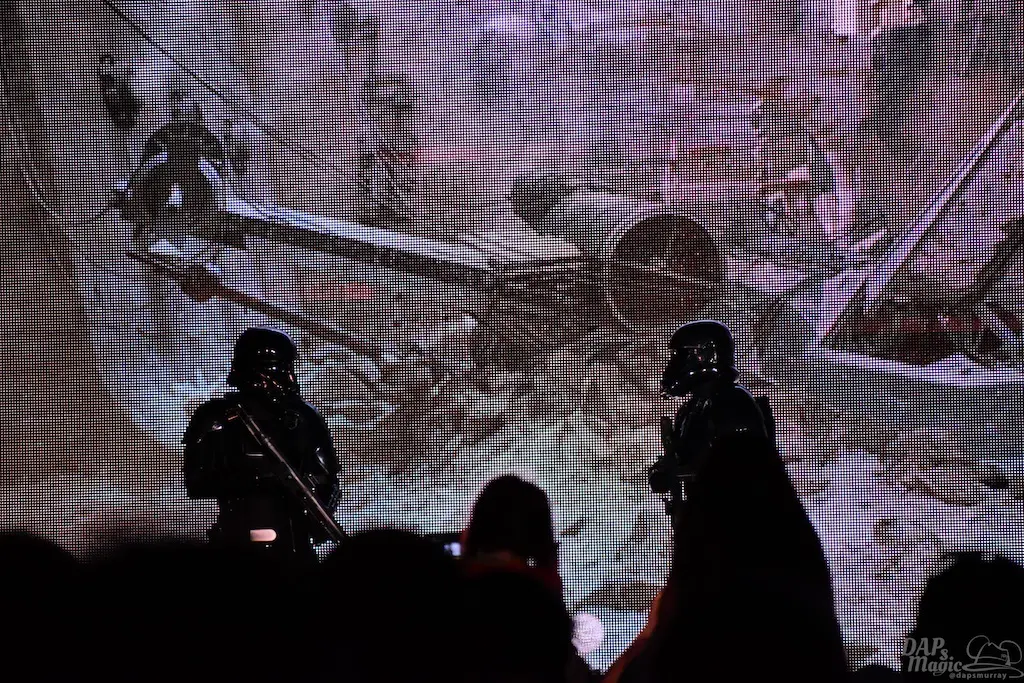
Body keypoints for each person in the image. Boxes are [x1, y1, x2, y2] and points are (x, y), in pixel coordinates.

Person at [183, 327, 340, 565]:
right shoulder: (216, 416)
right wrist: (260, 479)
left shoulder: (304, 417)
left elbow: (327, 479)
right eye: (279, 369)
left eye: (289, 368)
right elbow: (196, 481)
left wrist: (316, 518)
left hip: (295, 545)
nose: (289, 378)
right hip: (237, 546)